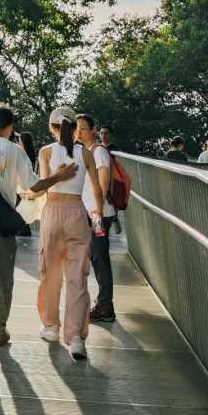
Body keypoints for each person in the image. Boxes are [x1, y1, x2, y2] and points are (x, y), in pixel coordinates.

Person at [0, 104, 78, 363]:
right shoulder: (15, 150)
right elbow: (34, 186)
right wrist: (57, 177)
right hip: (2, 227)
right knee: (3, 279)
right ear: (11, 128)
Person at [37, 107, 105, 361]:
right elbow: (97, 191)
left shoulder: (45, 152)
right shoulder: (86, 154)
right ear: (76, 129)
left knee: (51, 273)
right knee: (78, 276)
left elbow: (44, 185)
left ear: (52, 127)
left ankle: (51, 327)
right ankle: (76, 338)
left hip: (53, 212)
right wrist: (97, 217)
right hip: (77, 212)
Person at [78, 113, 116, 323]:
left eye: (83, 128)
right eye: (77, 128)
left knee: (100, 257)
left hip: (97, 214)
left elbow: (103, 183)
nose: (79, 132)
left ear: (93, 129)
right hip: (91, 212)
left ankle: (105, 306)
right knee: (96, 256)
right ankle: (104, 304)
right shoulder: (84, 152)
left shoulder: (98, 152)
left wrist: (98, 211)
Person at [98, 123, 124, 235]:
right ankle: (100, 230)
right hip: (98, 180)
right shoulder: (97, 148)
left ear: (110, 135)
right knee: (97, 204)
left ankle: (113, 221)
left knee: (110, 201)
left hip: (112, 180)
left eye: (106, 133)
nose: (103, 135)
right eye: (101, 133)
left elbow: (120, 165)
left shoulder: (115, 149)